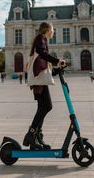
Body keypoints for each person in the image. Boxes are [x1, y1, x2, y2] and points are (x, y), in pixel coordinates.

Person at [24, 22, 66, 150]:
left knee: (42, 107)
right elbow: (42, 54)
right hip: (39, 80)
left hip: (40, 79)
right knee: (47, 106)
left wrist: (56, 70)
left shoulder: (42, 40)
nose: (54, 31)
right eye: (53, 29)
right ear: (48, 29)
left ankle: (36, 136)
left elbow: (43, 65)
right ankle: (31, 134)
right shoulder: (41, 38)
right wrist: (57, 60)